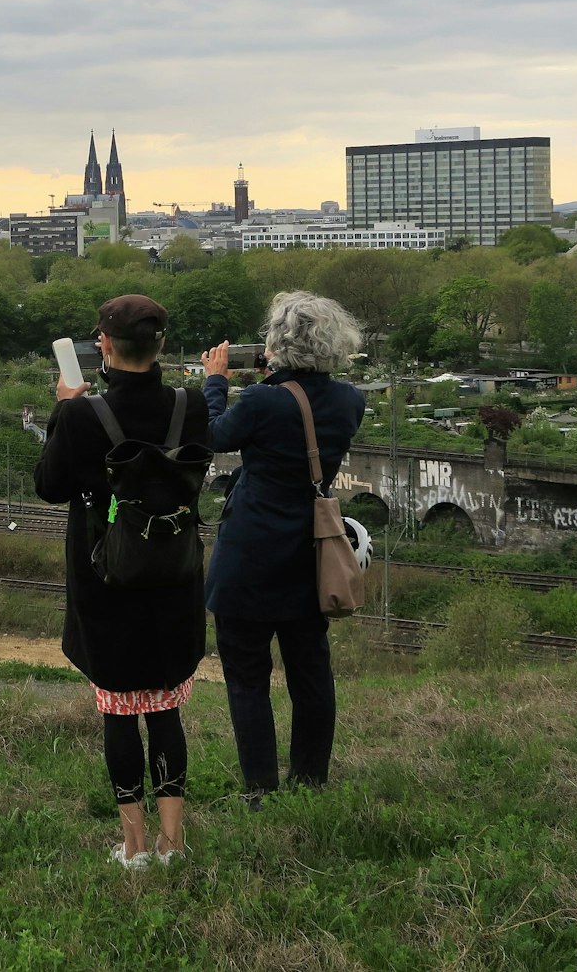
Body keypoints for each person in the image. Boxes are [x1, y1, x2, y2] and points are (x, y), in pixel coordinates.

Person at [35, 295, 209, 868]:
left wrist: (62, 410)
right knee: (165, 711)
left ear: (104, 345)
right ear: (161, 345)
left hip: (106, 585)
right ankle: (172, 844)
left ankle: (134, 846)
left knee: (119, 715)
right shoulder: (191, 406)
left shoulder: (84, 417)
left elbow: (49, 485)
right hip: (175, 580)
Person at [200, 290, 366, 806]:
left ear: (277, 343)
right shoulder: (350, 401)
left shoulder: (261, 402)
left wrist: (215, 381)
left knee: (247, 678)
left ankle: (260, 790)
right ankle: (310, 781)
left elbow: (213, 435)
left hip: (249, 558)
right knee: (311, 672)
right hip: (309, 558)